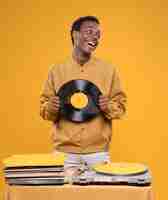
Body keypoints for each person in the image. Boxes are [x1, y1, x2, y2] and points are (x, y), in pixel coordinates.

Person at [39, 16, 127, 176]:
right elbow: (44, 109)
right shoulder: (56, 70)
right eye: (89, 31)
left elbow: (121, 108)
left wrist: (109, 107)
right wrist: (50, 108)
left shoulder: (109, 70)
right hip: (64, 155)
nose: (95, 37)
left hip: (98, 154)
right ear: (75, 34)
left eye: (98, 34)